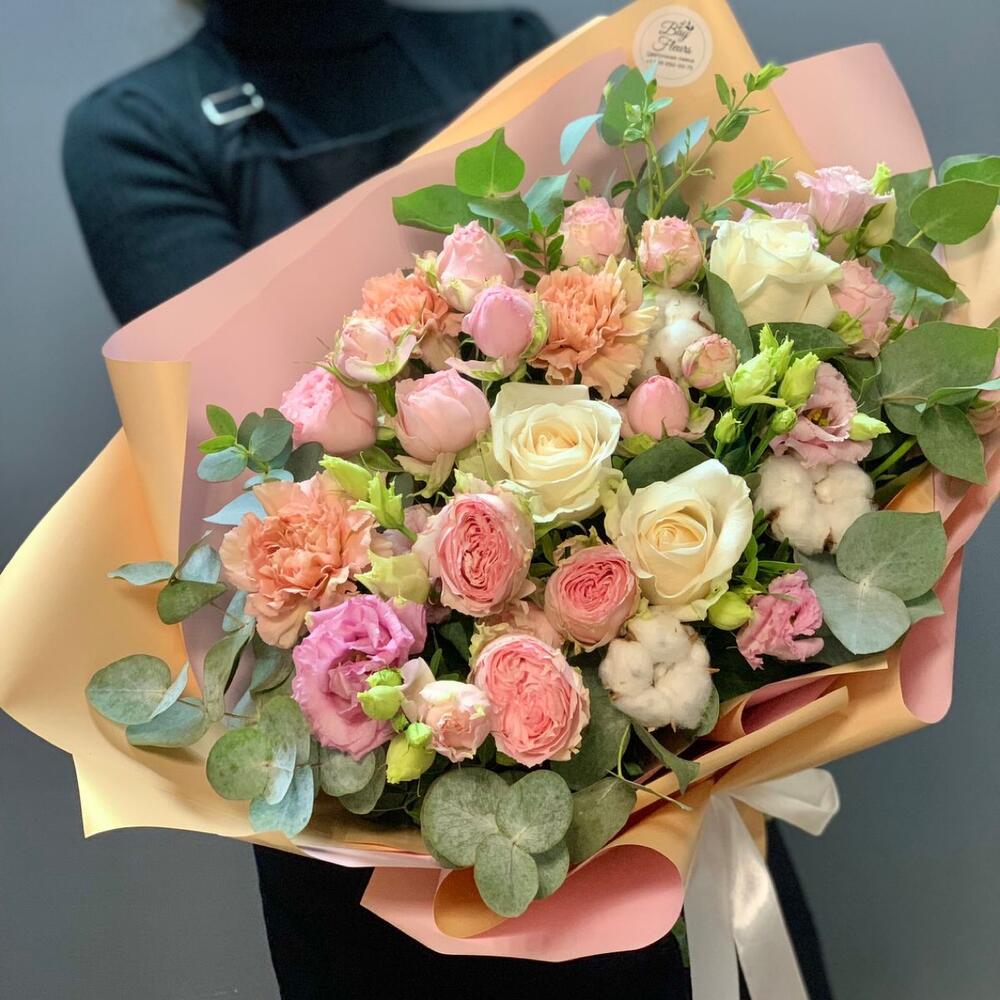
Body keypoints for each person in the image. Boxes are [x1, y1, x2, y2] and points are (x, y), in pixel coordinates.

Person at [63, 3, 833, 997]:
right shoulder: (139, 131)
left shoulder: (505, 47)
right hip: (396, 811)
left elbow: (632, 313)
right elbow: (262, 444)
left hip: (657, 740)